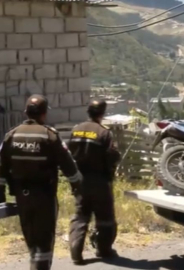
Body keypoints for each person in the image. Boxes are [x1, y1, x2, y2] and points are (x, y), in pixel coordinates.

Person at [0, 94, 83, 270]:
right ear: (43, 114)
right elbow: (69, 165)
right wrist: (78, 186)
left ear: (26, 112)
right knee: (44, 241)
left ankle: (35, 263)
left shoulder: (11, 135)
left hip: (22, 197)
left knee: (31, 238)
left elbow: (2, 165)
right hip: (44, 197)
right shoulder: (49, 136)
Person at [67, 99, 121, 265]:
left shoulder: (76, 130)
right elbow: (112, 155)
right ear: (102, 113)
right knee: (105, 217)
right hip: (99, 180)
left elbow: (68, 153)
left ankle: (76, 252)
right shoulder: (104, 133)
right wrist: (111, 171)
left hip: (80, 180)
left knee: (81, 215)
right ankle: (103, 250)